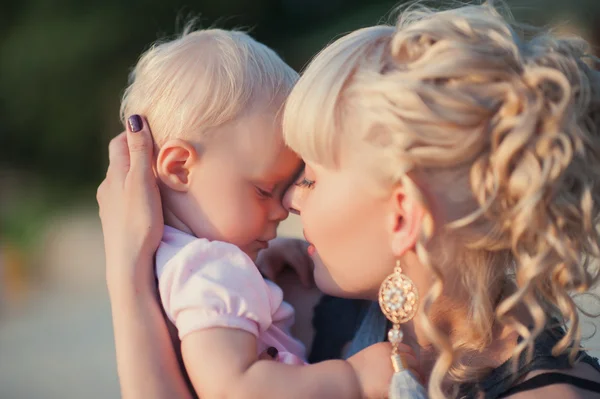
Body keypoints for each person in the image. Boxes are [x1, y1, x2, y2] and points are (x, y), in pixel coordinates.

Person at [98, 2, 600, 398]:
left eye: (309, 176)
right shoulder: (305, 302)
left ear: (402, 214)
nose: (292, 201)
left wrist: (130, 280)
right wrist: (129, 272)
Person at [111, 27, 422, 399]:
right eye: (263, 190)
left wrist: (257, 267)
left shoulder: (188, 267)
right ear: (179, 168)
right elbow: (235, 389)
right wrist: (351, 379)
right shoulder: (215, 269)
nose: (282, 208)